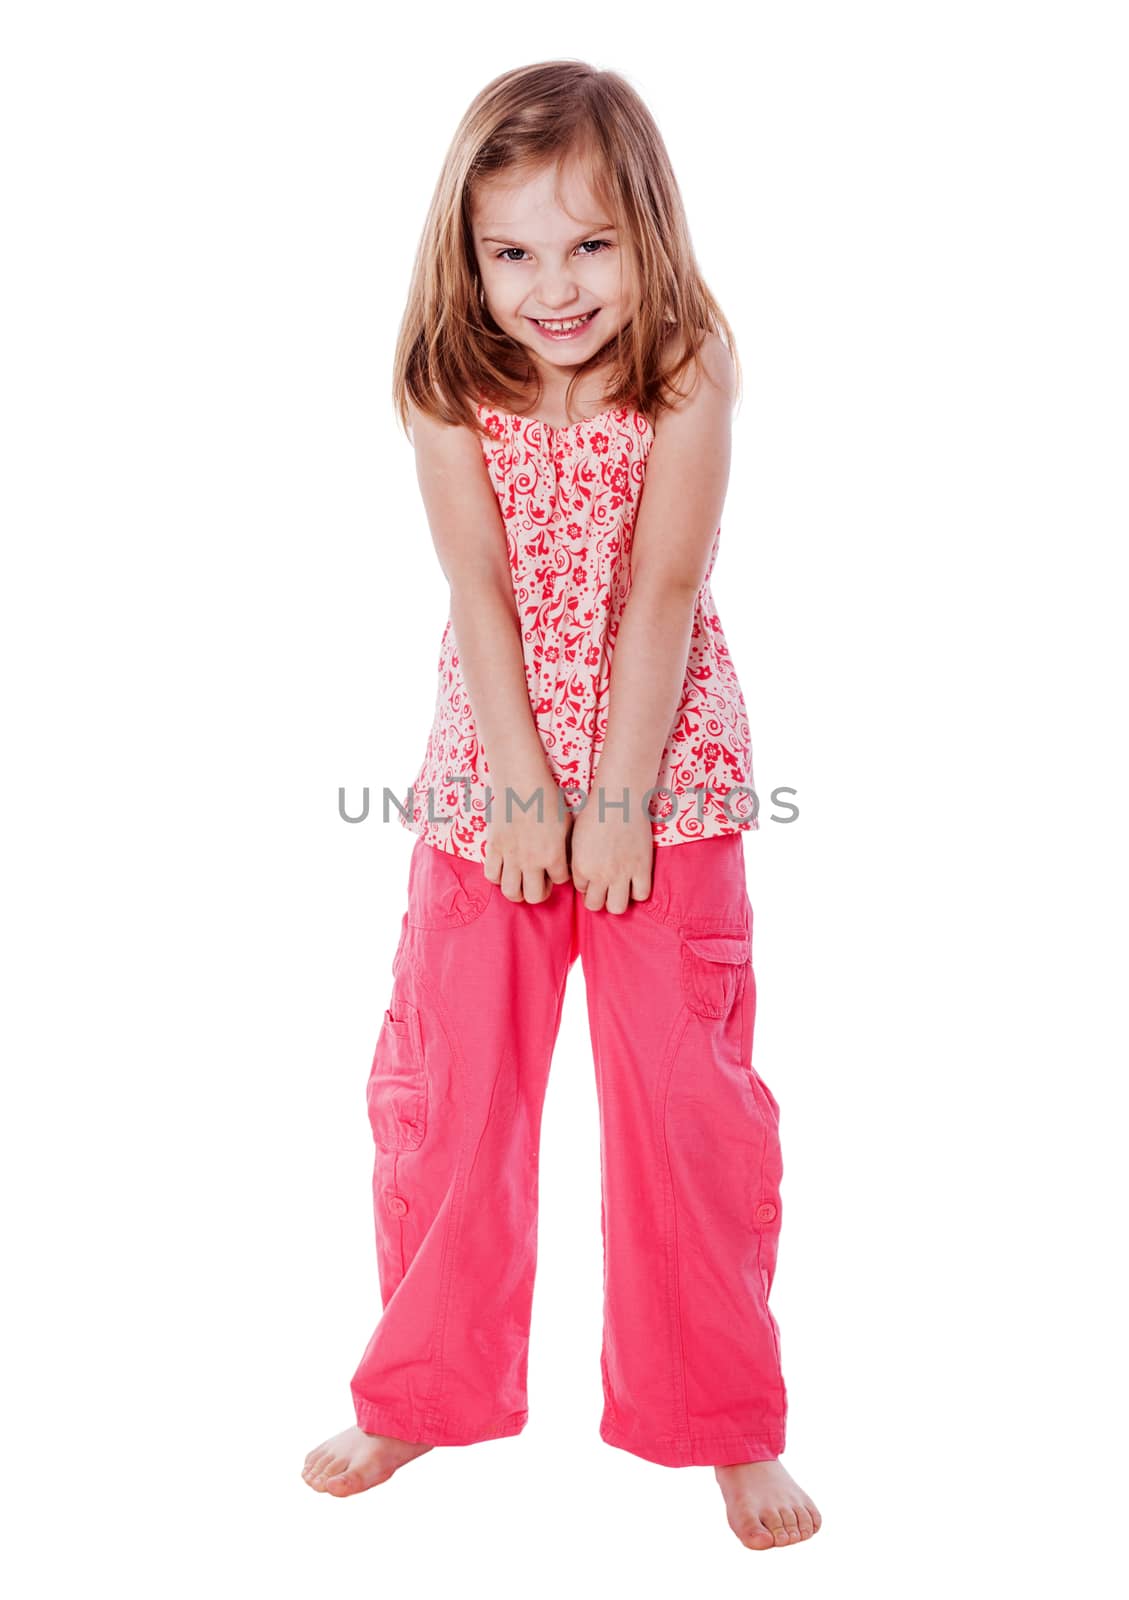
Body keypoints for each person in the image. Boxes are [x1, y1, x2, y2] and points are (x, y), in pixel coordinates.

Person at [302, 60, 821, 1551]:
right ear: (466, 256)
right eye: (513, 250)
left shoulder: (690, 365)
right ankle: (422, 1392)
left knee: (686, 1109)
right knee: (451, 1100)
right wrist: (526, 791)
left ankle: (718, 1420)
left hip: (671, 782)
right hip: (491, 796)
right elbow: (477, 586)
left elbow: (660, 588)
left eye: (588, 244)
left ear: (645, 236)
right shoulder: (446, 381)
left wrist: (618, 805)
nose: (554, 285)